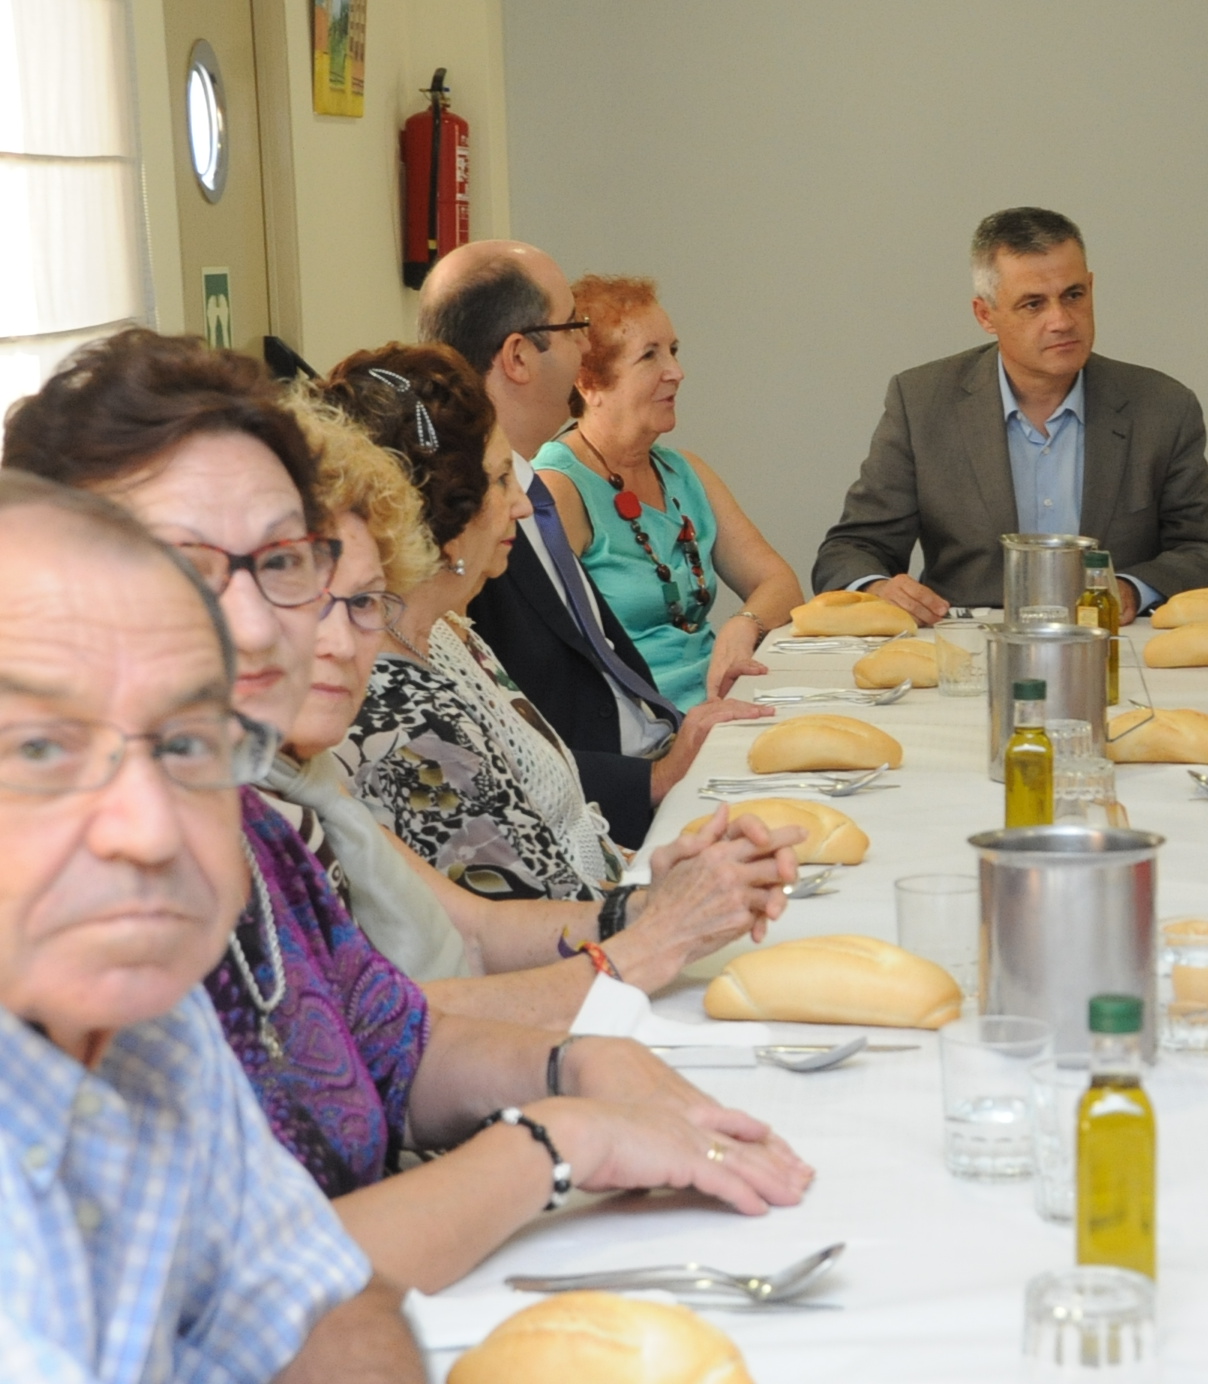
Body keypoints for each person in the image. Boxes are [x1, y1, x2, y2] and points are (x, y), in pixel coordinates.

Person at [4, 331, 814, 1294]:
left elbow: (391, 1034)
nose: (267, 622)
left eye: (284, 560)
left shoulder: (249, 824)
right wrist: (555, 1141)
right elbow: (238, 1287)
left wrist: (576, 1067)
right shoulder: (72, 897)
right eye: (188, 562)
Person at [0, 472, 418, 1381]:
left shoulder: (155, 1030)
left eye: (188, 743)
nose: (151, 830)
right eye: (38, 749)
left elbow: (324, 1307)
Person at [275, 394, 791, 1027]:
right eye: (300, 600)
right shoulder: (371, 719)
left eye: (364, 603)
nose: (342, 641)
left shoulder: (310, 775)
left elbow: (477, 932)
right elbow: (399, 1025)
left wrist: (654, 905)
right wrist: (654, 930)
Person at [420, 240, 764, 845]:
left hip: (655, 754)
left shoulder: (528, 485)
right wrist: (657, 777)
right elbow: (488, 749)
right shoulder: (466, 517)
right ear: (518, 357)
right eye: (572, 327)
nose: (585, 348)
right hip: (607, 811)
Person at [811, 206, 1208, 621]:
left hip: (1111, 644)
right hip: (970, 643)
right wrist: (878, 588)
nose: (1061, 321)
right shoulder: (922, 403)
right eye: (1033, 304)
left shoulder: (1161, 406)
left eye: (1074, 295)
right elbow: (851, 550)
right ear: (986, 315)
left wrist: (1129, 589)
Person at [324, 343, 633, 899]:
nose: (522, 505)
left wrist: (656, 868)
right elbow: (516, 907)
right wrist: (654, 900)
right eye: (501, 479)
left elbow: (565, 841)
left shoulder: (446, 633)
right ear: (446, 510)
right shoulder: (395, 712)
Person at [534, 274, 801, 708]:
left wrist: (745, 624)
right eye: (649, 356)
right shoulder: (557, 487)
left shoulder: (685, 472)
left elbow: (780, 582)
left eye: (673, 351)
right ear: (588, 382)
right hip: (644, 724)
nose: (677, 372)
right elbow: (545, 658)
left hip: (721, 702)